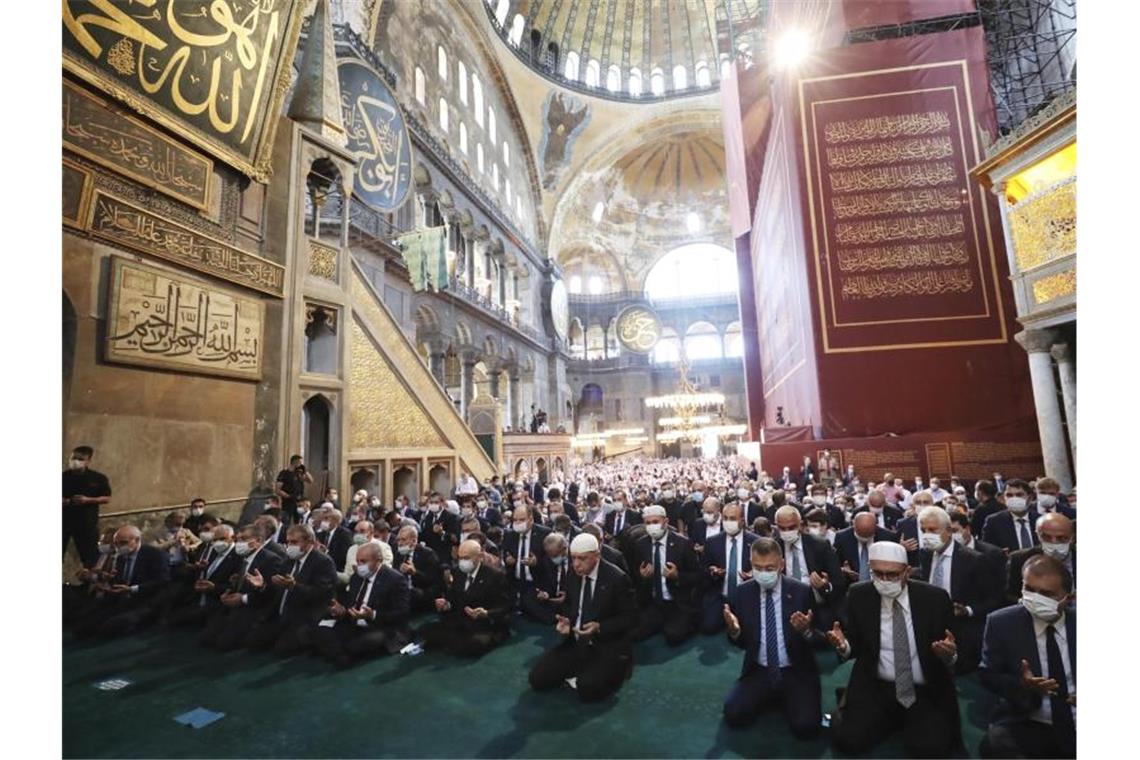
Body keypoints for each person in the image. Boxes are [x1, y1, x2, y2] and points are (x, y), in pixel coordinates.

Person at [827, 541, 961, 757]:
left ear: (907, 572)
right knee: (848, 741)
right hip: (876, 684)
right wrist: (843, 646)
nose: (884, 580)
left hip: (922, 687)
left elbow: (953, 647)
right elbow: (855, 643)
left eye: (892, 574)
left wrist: (950, 655)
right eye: (877, 574)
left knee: (931, 748)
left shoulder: (934, 598)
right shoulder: (859, 594)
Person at [721, 538, 821, 737]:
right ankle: (774, 696)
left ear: (781, 565)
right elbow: (741, 643)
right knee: (733, 715)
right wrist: (734, 631)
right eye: (758, 567)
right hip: (759, 669)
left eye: (769, 567)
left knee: (806, 728)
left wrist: (806, 631)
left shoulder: (801, 592)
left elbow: (820, 640)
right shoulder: (742, 592)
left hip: (795, 670)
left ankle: (783, 697)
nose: (763, 573)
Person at [978, 555, 1075, 758]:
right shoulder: (1001, 622)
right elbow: (988, 675)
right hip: (1025, 716)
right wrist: (1022, 684)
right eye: (1030, 590)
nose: (1036, 598)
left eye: (1047, 594)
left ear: (1068, 597)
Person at [528, 534, 637, 702]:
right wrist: (566, 622)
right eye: (573, 558)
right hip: (576, 641)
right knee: (537, 679)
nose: (577, 564)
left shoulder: (617, 578)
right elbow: (570, 605)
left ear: (597, 555)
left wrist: (600, 627)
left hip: (605, 643)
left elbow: (629, 618)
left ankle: (616, 671)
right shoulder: (573, 573)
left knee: (588, 689)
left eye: (582, 559)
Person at [915, 506, 1000, 673]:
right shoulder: (925, 555)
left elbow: (994, 599)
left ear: (948, 531)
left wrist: (967, 610)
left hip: (962, 632)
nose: (927, 535)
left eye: (932, 530)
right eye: (923, 530)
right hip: (930, 629)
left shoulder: (974, 559)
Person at [311, 543, 411, 668]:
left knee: (366, 641)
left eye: (363, 561)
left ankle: (337, 652)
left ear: (378, 560)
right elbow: (350, 603)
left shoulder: (395, 579)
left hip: (381, 626)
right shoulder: (356, 577)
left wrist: (372, 615)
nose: (359, 566)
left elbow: (402, 613)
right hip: (354, 623)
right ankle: (341, 654)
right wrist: (342, 610)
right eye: (358, 561)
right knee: (320, 628)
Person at [245, 524, 337, 655]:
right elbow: (277, 589)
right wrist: (262, 586)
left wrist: (294, 586)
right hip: (282, 614)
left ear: (309, 541)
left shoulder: (323, 562)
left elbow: (320, 593)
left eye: (294, 542)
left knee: (282, 649)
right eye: (288, 542)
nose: (289, 546)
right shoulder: (288, 560)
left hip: (305, 614)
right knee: (253, 641)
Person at [72, 525, 170, 638]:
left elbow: (162, 581)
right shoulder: (120, 557)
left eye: (123, 543)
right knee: (83, 625)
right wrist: (107, 585)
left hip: (146, 600)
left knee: (112, 627)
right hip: (122, 600)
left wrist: (132, 589)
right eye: (116, 543)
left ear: (137, 540)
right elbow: (118, 580)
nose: (118, 547)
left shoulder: (155, 554)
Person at [199, 524, 284, 651]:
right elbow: (239, 585)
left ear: (258, 541)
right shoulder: (243, 557)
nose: (239, 543)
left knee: (223, 644)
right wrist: (228, 592)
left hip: (255, 610)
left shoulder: (271, 560)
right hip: (234, 608)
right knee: (205, 638)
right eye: (238, 539)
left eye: (244, 539)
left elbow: (273, 595)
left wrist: (244, 598)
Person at [421, 540, 511, 657]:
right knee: (427, 631)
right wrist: (447, 604)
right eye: (460, 557)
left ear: (479, 557)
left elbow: (506, 605)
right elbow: (454, 597)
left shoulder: (495, 575)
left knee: (474, 645)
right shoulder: (458, 571)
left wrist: (487, 613)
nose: (462, 561)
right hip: (462, 619)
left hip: (486, 623)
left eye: (466, 558)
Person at [632, 505, 700, 646]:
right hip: (654, 603)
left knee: (673, 637)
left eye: (655, 522)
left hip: (677, 602)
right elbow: (635, 579)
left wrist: (677, 576)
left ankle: (689, 621)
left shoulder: (683, 543)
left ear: (666, 522)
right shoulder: (640, 544)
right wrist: (643, 577)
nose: (652, 526)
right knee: (635, 633)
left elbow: (697, 576)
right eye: (648, 523)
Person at [773, 505, 845, 633]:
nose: (787, 531)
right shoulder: (773, 547)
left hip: (817, 608)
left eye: (791, 527)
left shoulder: (820, 545)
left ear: (800, 525)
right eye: (782, 528)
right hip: (784, 609)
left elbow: (839, 583)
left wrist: (825, 586)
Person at [698, 502, 759, 634]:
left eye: (732, 519)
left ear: (742, 521)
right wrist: (712, 572)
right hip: (721, 594)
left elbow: (764, 568)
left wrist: (754, 574)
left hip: (746, 595)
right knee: (708, 628)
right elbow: (703, 570)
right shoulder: (712, 542)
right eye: (725, 518)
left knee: (750, 631)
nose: (727, 522)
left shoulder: (756, 542)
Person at [165, 525, 241, 627]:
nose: (218, 542)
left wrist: (214, 588)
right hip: (199, 598)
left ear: (233, 538)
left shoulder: (239, 556)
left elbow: (236, 586)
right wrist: (198, 571)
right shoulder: (213, 551)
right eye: (215, 540)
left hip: (219, 603)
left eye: (222, 539)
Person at [1005, 513, 1075, 605]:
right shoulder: (1019, 559)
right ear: (1038, 535)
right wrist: (1026, 602)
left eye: (1061, 538)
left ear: (1072, 537)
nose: (1054, 543)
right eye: (1046, 537)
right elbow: (1008, 595)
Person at [62, 445, 112, 568]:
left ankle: (90, 583)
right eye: (74, 458)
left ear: (88, 461)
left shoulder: (98, 478)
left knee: (90, 558)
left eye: (80, 459)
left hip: (86, 524)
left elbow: (106, 498)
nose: (75, 462)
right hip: (63, 522)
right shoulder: (63, 476)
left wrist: (88, 500)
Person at [502, 505, 551, 608]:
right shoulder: (509, 535)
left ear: (531, 519)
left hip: (536, 584)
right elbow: (505, 556)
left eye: (522, 519)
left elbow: (550, 563)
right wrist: (507, 561)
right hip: (515, 583)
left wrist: (536, 563)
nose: (518, 523)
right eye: (515, 520)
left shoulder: (544, 534)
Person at [834, 512, 896, 584]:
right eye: (861, 536)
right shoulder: (842, 537)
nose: (864, 539)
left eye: (868, 536)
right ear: (854, 525)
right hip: (851, 585)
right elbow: (835, 563)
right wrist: (842, 570)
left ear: (875, 527)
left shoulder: (888, 537)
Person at [522, 533, 570, 624]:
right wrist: (545, 593)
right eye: (549, 555)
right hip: (553, 598)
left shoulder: (575, 561)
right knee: (527, 598)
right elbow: (546, 581)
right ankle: (555, 617)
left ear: (564, 548)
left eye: (555, 555)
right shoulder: (547, 559)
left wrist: (567, 596)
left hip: (568, 599)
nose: (552, 558)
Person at [395, 525, 444, 613]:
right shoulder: (398, 555)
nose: (399, 543)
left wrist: (415, 573)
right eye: (398, 540)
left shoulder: (428, 554)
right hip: (403, 594)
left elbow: (435, 581)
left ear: (414, 541)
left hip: (422, 594)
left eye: (403, 540)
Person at [982, 480, 1039, 553]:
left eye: (1019, 495)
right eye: (1009, 495)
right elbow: (987, 550)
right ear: (1003, 498)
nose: (1014, 498)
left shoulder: (1040, 519)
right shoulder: (993, 522)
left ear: (1030, 498)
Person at [274, 455, 312, 525]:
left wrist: (305, 471)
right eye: (300, 462)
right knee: (286, 520)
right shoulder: (284, 473)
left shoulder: (299, 473)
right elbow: (277, 489)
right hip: (288, 501)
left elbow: (310, 481)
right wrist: (287, 496)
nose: (301, 464)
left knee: (299, 520)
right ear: (295, 462)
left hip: (299, 501)